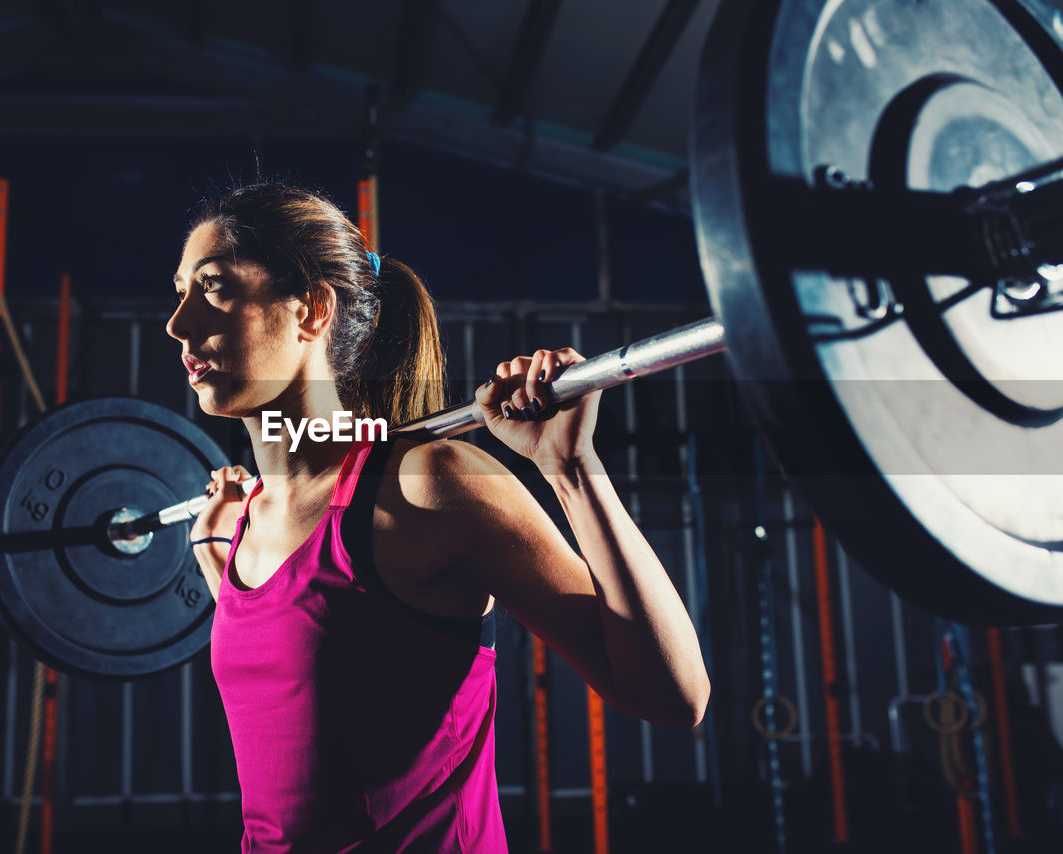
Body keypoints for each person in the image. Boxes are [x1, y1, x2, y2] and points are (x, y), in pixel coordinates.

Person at [165, 183, 709, 852]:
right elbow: (320, 675)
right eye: (180, 291)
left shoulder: (426, 485)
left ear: (310, 310)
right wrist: (219, 563)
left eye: (214, 288)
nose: (179, 323)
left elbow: (672, 695)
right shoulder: (248, 517)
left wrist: (570, 470)